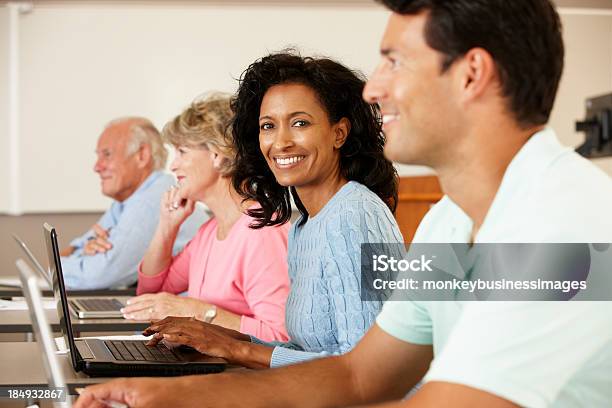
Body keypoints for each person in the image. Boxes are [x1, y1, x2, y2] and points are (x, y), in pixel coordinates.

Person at [75, 0, 612, 407]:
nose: (374, 89)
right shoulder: (447, 223)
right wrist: (168, 396)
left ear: (472, 73)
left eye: (394, 62)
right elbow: (361, 371)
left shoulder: (565, 226)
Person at [140, 52, 403, 368]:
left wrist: (236, 349)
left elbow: (368, 367)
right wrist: (215, 338)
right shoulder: (306, 224)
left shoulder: (355, 216)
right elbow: (304, 347)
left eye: (300, 123)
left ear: (339, 133)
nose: (280, 142)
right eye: (268, 126)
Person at [120, 93, 290, 342]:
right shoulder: (209, 232)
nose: (173, 166)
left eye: (182, 151)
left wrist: (197, 312)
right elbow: (152, 296)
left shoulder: (262, 232)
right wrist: (167, 227)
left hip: (245, 376)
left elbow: (279, 337)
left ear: (217, 154)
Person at [60, 117, 207, 290]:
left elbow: (95, 277)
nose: (97, 167)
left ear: (142, 155)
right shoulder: (127, 200)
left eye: (107, 154)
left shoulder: (151, 201)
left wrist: (59, 265)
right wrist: (84, 250)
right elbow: (73, 250)